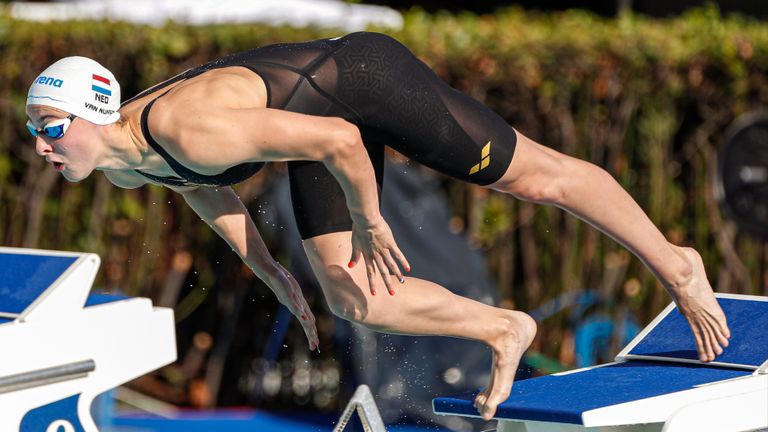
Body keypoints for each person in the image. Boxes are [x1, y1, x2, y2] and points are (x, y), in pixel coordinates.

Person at [25, 32, 730, 420]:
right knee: (354, 297)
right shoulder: (122, 163)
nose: (42, 147)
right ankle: (503, 327)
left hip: (364, 79)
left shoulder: (188, 126)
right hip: (315, 126)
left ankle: (677, 264)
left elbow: (336, 138)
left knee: (534, 178)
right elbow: (202, 189)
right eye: (34, 133)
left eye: (50, 129)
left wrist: (368, 221)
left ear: (92, 114)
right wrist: (272, 271)